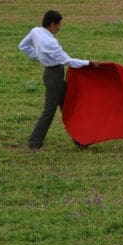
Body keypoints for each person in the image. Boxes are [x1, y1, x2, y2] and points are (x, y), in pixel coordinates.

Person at [18, 10, 101, 151]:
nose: (59, 28)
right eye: (58, 25)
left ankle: (80, 139)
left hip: (50, 74)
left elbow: (23, 46)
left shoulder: (35, 31)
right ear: (52, 24)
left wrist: (39, 56)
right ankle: (34, 143)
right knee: (49, 110)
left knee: (68, 106)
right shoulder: (51, 42)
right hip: (55, 76)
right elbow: (67, 61)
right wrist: (88, 62)